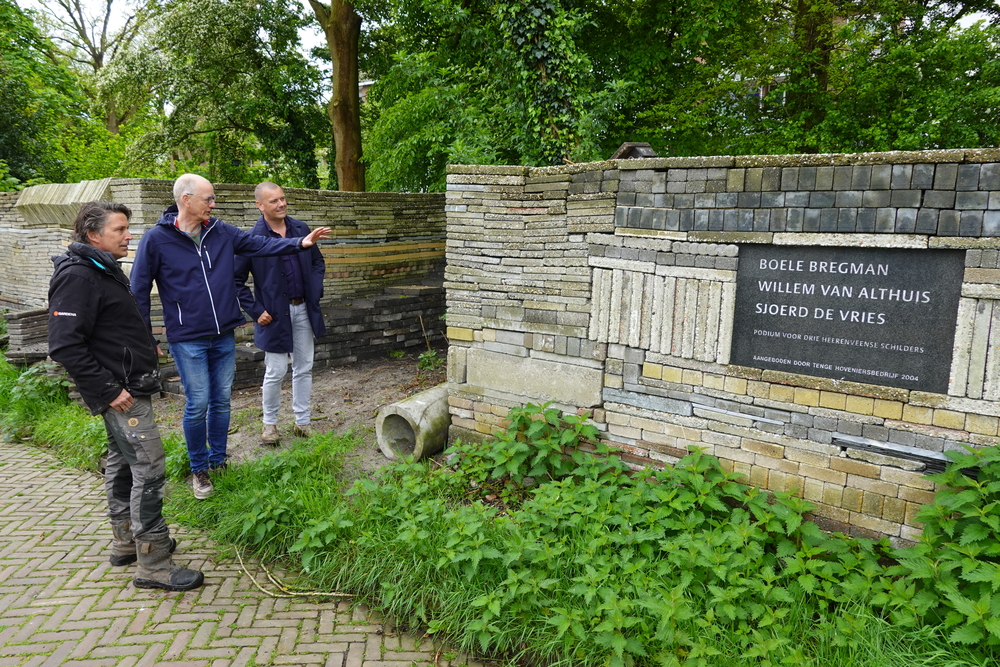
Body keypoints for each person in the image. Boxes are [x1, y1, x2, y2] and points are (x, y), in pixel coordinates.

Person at [131, 174, 330, 500]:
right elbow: (137, 290)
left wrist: (299, 243)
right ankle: (200, 469)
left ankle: (219, 460)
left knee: (222, 402)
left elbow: (260, 244)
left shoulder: (220, 231)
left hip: (223, 332)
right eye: (208, 198)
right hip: (187, 337)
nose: (214, 203)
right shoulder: (156, 240)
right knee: (198, 404)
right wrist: (143, 338)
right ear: (186, 200)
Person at [48, 201, 204, 592]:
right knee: (149, 467)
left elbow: (109, 326)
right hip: (122, 394)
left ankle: (126, 542)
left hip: (128, 383)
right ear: (93, 235)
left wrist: (144, 346)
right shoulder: (78, 277)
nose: (128, 235)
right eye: (119, 230)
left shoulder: (102, 269)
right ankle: (154, 563)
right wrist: (109, 389)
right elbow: (65, 345)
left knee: (122, 460)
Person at [235, 183, 327, 443]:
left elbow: (317, 262)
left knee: (304, 367)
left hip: (304, 309)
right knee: (275, 371)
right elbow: (236, 280)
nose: (281, 204)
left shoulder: (301, 229)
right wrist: (255, 309)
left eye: (283, 198)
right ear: (260, 205)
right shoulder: (252, 238)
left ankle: (303, 422)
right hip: (273, 315)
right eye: (273, 201)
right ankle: (270, 425)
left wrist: (315, 290)